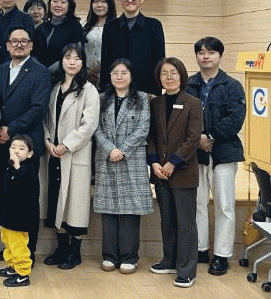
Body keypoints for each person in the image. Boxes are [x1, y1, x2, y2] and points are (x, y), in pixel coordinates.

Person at [185, 37, 245, 275]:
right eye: (201, 52)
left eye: (211, 52)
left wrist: (209, 137)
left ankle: (221, 255)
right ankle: (200, 249)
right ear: (196, 57)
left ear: (220, 55)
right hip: (195, 153)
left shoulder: (232, 86)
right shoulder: (189, 84)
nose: (206, 56)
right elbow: (182, 118)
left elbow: (235, 119)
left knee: (225, 206)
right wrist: (197, 139)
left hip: (224, 153)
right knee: (198, 203)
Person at [0, 26, 51, 262]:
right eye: (14, 41)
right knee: (6, 198)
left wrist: (11, 129)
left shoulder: (40, 72)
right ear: (7, 46)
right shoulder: (0, 70)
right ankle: (10, 249)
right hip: (3, 144)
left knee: (26, 201)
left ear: (31, 45)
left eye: (24, 41)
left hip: (26, 147)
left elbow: (38, 108)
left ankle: (28, 252)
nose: (18, 45)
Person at [42, 43, 99, 270]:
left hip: (74, 154)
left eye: (77, 58)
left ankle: (75, 252)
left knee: (75, 206)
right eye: (68, 57)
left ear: (83, 62)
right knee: (57, 201)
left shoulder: (88, 90)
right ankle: (61, 248)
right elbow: (47, 119)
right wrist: (48, 142)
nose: (72, 62)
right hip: (54, 153)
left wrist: (66, 145)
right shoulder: (55, 88)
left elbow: (89, 124)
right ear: (61, 61)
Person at [93, 58, 152, 274]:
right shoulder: (101, 99)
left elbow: (143, 128)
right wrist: (110, 149)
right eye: (115, 73)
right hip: (106, 158)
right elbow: (95, 128)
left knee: (130, 209)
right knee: (108, 209)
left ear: (131, 76)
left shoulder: (142, 98)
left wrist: (122, 150)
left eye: (124, 73)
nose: (119, 77)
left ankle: (129, 257)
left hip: (131, 159)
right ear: (109, 77)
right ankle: (109, 256)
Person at [148, 57, 202, 288]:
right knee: (167, 220)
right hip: (160, 172)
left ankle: (187, 269)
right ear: (158, 77)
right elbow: (150, 136)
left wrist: (173, 162)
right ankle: (169, 260)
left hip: (183, 172)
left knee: (185, 223)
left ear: (181, 75)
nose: (169, 77)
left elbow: (193, 139)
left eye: (173, 73)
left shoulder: (193, 103)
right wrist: (154, 163)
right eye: (164, 73)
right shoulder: (155, 103)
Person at [100, 0, 165, 95]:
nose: (129, 0)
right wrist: (105, 89)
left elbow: (159, 60)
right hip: (116, 90)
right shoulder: (110, 27)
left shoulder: (154, 25)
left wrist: (157, 90)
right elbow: (106, 62)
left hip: (147, 89)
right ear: (120, 0)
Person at [0, 135, 39, 288]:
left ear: (30, 153)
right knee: (8, 243)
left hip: (20, 218)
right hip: (7, 215)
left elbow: (24, 184)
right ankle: (12, 266)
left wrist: (18, 167)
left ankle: (23, 274)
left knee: (19, 245)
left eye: (21, 149)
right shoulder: (10, 166)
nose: (16, 151)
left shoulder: (29, 169)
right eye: (13, 148)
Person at [33, 0, 85, 70]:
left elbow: (76, 55)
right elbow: (33, 53)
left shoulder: (75, 27)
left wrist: (51, 70)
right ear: (50, 3)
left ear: (69, 6)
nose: (58, 5)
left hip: (64, 73)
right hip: (39, 73)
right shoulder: (41, 28)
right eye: (55, 1)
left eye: (63, 2)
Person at [83, 0, 117, 86]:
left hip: (107, 77)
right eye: (96, 1)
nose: (99, 5)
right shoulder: (85, 25)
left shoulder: (116, 26)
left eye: (103, 1)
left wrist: (96, 70)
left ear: (110, 4)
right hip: (86, 76)